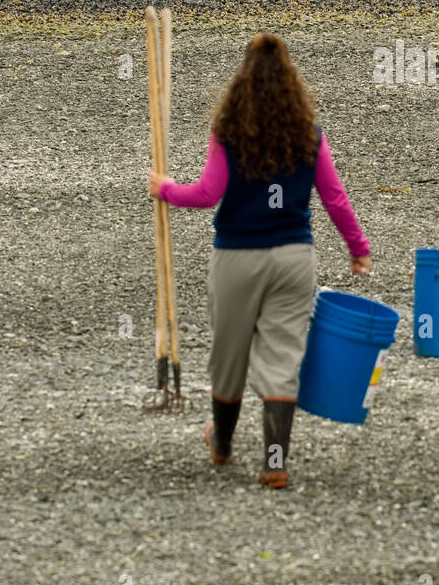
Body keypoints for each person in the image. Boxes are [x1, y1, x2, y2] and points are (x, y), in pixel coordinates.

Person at [148, 32, 370, 489]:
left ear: (242, 80)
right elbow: (334, 197)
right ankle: (274, 461)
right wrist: (357, 248)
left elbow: (207, 195)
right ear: (292, 81)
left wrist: (165, 188)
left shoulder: (228, 132)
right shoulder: (309, 134)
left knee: (228, 355)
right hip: (294, 258)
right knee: (282, 357)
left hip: (237, 257)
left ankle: (223, 445)